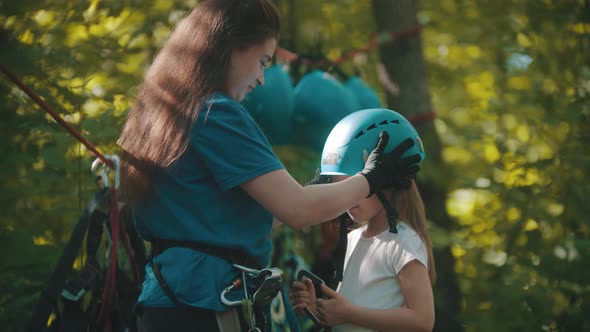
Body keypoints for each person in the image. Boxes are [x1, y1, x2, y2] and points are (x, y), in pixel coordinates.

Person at [116, 0, 421, 331]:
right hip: (205, 305)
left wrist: (321, 188)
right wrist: (372, 179)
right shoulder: (216, 113)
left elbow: (249, 215)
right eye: (262, 62)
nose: (262, 79)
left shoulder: (168, 115)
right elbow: (297, 211)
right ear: (230, 47)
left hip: (169, 301)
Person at [289, 109, 436, 332]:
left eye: (356, 184)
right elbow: (352, 317)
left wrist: (348, 313)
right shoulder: (353, 237)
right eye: (340, 187)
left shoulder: (403, 242)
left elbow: (422, 321)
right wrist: (316, 308)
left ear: (388, 181)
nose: (347, 196)